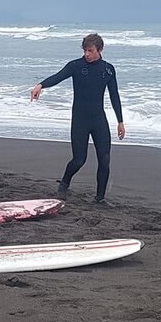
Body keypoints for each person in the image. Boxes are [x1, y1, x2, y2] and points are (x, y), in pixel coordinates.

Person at [30, 33, 125, 203]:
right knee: (79, 160)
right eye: (85, 50)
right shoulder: (75, 66)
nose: (87, 54)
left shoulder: (108, 69)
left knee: (104, 159)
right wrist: (41, 85)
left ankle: (100, 198)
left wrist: (120, 121)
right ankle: (64, 184)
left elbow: (114, 95)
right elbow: (58, 77)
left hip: (98, 120)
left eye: (90, 51)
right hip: (80, 120)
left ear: (100, 50)